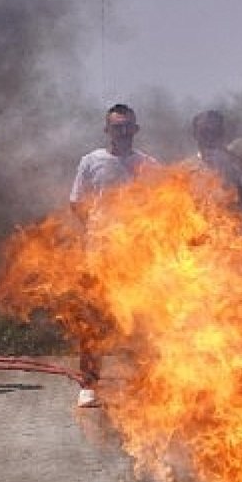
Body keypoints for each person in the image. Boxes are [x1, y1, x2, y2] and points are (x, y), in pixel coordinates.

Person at [69, 103, 159, 408]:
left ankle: (144, 384)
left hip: (136, 259)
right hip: (99, 256)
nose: (123, 132)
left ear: (136, 130)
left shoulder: (149, 165)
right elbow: (77, 203)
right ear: (107, 130)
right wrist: (99, 232)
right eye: (117, 127)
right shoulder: (91, 162)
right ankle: (89, 384)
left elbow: (161, 206)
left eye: (128, 127)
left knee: (140, 321)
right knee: (93, 322)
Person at [186, 110, 242, 217]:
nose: (210, 138)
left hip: (235, 229)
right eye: (204, 132)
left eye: (215, 132)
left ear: (222, 133)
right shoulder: (184, 171)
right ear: (195, 135)